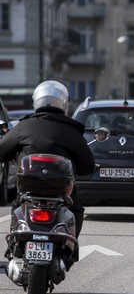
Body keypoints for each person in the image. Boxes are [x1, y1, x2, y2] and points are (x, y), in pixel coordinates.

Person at [0, 80, 95, 241]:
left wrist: (15, 155)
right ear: (64, 104)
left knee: (18, 205)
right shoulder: (72, 131)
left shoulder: (24, 126)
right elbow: (88, 166)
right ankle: (70, 247)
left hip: (28, 188)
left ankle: (14, 243)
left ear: (36, 101)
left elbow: (2, 152)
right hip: (60, 189)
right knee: (76, 209)